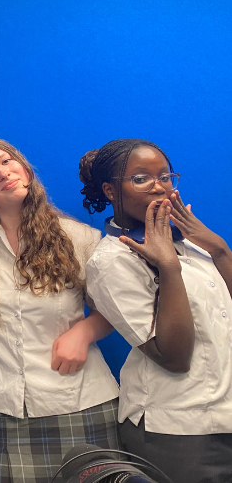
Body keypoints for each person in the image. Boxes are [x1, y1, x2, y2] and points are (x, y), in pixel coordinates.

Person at [0, 137, 120, 483]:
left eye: (7, 162)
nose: (3, 174)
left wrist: (86, 331)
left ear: (25, 168)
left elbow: (122, 308)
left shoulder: (79, 238)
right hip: (1, 412)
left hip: (79, 401)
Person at [80, 138, 232, 483]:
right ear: (109, 190)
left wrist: (219, 249)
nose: (158, 186)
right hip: (178, 431)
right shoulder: (111, 261)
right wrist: (168, 268)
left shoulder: (190, 242)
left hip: (225, 417)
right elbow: (174, 357)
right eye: (141, 178)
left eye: (165, 176)